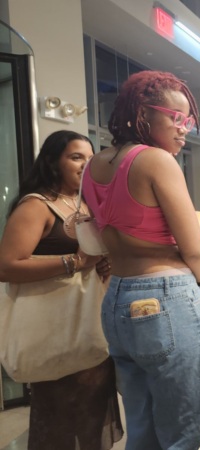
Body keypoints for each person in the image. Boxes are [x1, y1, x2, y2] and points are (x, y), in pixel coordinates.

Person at [82, 70, 200, 449]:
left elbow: (101, 236)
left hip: (117, 301)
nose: (184, 130)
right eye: (175, 118)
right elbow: (194, 247)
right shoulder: (158, 161)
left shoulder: (93, 167)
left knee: (141, 426)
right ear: (143, 112)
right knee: (193, 429)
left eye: (187, 120)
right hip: (168, 296)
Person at [0, 130, 123, 450]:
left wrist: (100, 264)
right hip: (54, 330)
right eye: (75, 157)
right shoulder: (37, 205)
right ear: (53, 162)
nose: (85, 164)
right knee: (58, 422)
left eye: (88, 157)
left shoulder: (82, 203)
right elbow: (6, 265)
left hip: (88, 328)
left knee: (90, 417)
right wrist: (74, 261)